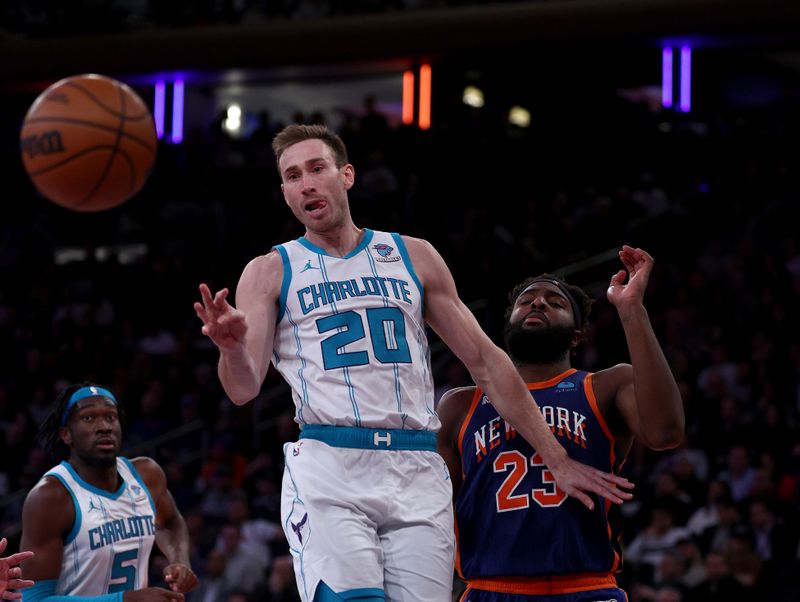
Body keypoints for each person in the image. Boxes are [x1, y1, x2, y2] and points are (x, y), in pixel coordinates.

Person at [193, 124, 632, 602]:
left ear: (347, 175)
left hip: (417, 464)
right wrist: (231, 347)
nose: (307, 183)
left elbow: (487, 362)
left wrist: (556, 457)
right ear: (285, 193)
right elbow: (243, 389)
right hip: (331, 461)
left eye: (317, 169)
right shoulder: (268, 271)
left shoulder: (413, 256)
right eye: (293, 176)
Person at [437, 246, 685, 601]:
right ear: (508, 322)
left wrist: (632, 310)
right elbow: (432, 508)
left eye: (555, 302)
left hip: (587, 588)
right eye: (528, 300)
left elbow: (666, 433)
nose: (538, 304)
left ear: (576, 335)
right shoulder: (460, 404)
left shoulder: (604, 387)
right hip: (491, 589)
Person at [20, 382, 199, 601]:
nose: (104, 426)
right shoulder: (51, 496)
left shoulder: (147, 475)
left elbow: (169, 521)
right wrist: (124, 600)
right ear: (66, 434)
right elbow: (32, 598)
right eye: (88, 418)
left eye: (110, 417)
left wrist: (179, 559)